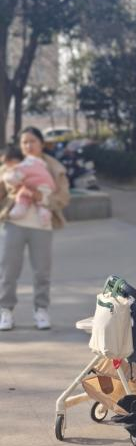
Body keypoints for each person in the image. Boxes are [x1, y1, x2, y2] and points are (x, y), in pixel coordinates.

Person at [0, 127, 70, 331]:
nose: (28, 146)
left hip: (42, 225)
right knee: (8, 270)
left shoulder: (53, 167)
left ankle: (41, 310)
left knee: (42, 272)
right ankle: (5, 310)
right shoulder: (13, 165)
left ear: (41, 143)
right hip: (14, 223)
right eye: (24, 142)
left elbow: (63, 198)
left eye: (32, 141)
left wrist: (42, 197)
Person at [2, 145, 56, 228]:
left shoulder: (22, 168)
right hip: (15, 220)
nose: (7, 165)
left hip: (36, 221)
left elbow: (12, 179)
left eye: (8, 162)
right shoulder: (7, 171)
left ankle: (41, 212)